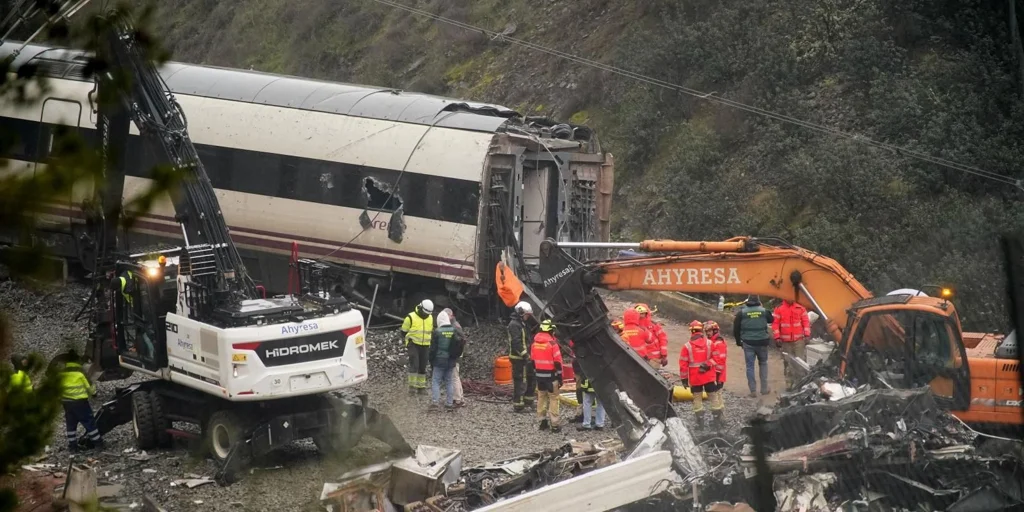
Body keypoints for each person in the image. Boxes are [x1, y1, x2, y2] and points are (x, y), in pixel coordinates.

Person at [678, 321, 719, 429]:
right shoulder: (710, 344)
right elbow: (717, 359)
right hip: (709, 376)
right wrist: (708, 365)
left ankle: (700, 425)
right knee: (713, 398)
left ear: (691, 331)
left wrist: (684, 379)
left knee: (697, 399)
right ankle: (716, 423)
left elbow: (683, 364)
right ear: (702, 330)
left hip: (695, 378)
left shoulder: (687, 346)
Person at [60, 350, 103, 451]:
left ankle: (73, 446)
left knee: (71, 424)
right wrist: (94, 394)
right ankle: (98, 443)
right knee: (89, 422)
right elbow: (90, 387)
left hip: (67, 403)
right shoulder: (80, 374)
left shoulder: (61, 374)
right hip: (80, 403)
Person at [734, 296, 774, 397]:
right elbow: (771, 320)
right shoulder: (764, 311)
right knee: (763, 363)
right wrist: (762, 307)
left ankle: (753, 391)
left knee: (750, 366)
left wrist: (739, 341)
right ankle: (764, 389)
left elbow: (736, 329)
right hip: (762, 342)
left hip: (748, 342)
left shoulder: (741, 313)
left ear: (748, 302)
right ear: (758, 301)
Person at [531, 319, 564, 433]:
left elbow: (532, 361)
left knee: (541, 397)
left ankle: (542, 421)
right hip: (551, 377)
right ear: (550, 331)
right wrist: (560, 378)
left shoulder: (534, 343)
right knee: (554, 399)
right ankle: (554, 425)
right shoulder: (552, 344)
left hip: (539, 377)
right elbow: (558, 363)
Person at [428, 311, 464, 412]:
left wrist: (431, 359)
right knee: (449, 381)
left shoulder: (437, 332)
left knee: (436, 381)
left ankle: (435, 402)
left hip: (439, 360)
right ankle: (449, 403)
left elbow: (433, 349)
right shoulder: (454, 330)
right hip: (451, 360)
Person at [772, 299, 811, 389]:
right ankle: (789, 384)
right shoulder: (779, 309)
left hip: (799, 341)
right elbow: (775, 324)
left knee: (800, 363)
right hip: (786, 342)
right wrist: (777, 337)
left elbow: (806, 322)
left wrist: (807, 335)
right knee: (788, 363)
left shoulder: (800, 308)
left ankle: (800, 383)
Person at [401, 299, 434, 395]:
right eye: (424, 313)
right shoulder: (410, 317)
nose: (426, 315)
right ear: (420, 308)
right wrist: (410, 341)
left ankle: (421, 387)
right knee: (414, 365)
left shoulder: (430, 317)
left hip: (425, 345)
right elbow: (403, 331)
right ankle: (412, 387)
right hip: (413, 344)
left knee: (423, 366)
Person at [508, 301, 536, 412]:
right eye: (526, 315)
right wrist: (525, 355)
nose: (527, 317)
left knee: (531, 378)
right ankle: (518, 405)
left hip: (526, 357)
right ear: (520, 312)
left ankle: (528, 401)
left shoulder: (522, 323)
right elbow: (516, 342)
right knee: (520, 381)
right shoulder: (514, 325)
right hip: (518, 359)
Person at [440, 308, 467, 408]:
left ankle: (457, 399)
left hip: (455, 355)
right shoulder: (456, 325)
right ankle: (460, 398)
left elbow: (460, 341)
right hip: (457, 354)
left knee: (454, 377)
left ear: (450, 315)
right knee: (456, 377)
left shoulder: (453, 326)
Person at [704, 321, 727, 429]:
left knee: (716, 397)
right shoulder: (712, 342)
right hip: (715, 375)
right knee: (718, 397)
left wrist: (717, 377)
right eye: (706, 331)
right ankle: (720, 419)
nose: (707, 333)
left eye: (709, 331)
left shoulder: (718, 343)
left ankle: (718, 420)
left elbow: (720, 361)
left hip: (718, 376)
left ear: (715, 330)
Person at [636, 304, 668, 368]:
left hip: (654, 359)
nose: (641, 315)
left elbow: (663, 339)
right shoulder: (633, 327)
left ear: (646, 313)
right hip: (638, 357)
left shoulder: (654, 326)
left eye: (642, 313)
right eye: (639, 313)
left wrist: (664, 355)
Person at [576, 365, 605, 431]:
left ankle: (586, 424)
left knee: (587, 403)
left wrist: (583, 386)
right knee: (600, 404)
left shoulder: (588, 358)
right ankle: (600, 424)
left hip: (589, 385)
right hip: (601, 384)